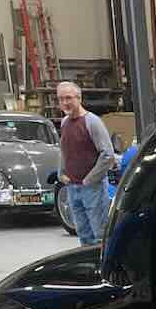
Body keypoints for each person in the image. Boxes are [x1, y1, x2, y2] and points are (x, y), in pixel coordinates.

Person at [56, 81, 117, 246]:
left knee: (100, 236)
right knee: (83, 236)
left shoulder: (92, 122)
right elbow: (64, 149)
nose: (64, 103)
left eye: (68, 98)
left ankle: (104, 270)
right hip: (72, 187)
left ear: (79, 98)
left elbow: (108, 155)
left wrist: (89, 180)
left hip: (92, 188)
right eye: (61, 99)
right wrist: (61, 173)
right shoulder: (64, 123)